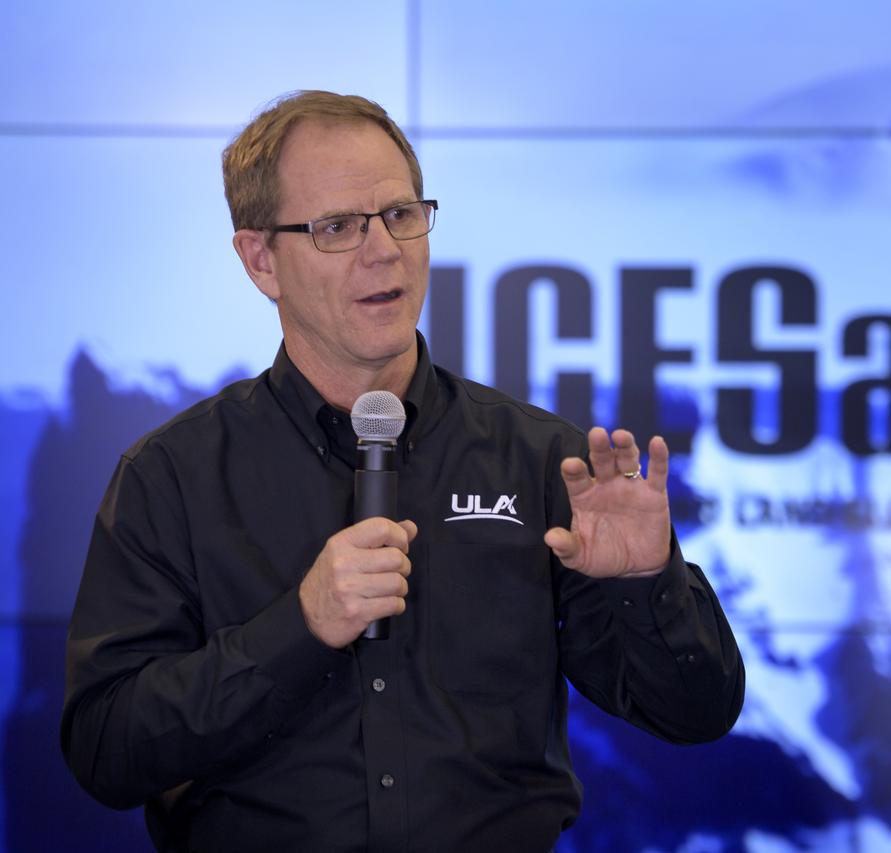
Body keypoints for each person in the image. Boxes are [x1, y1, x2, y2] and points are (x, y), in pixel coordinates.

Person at [61, 90, 744, 852]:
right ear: (261, 260)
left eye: (401, 214)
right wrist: (302, 626)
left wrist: (646, 582)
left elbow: (698, 713)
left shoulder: (544, 460)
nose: (383, 249)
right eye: (338, 227)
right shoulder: (172, 477)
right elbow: (106, 750)